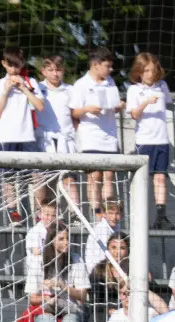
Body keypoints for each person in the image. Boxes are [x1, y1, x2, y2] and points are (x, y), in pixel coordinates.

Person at [26, 222, 88, 322]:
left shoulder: (76, 260)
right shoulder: (38, 262)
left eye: (67, 238)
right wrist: (46, 299)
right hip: (47, 308)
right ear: (51, 241)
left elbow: (82, 296)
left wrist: (63, 286)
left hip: (70, 309)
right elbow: (32, 298)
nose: (66, 242)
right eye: (61, 239)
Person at [0, 47, 45, 226]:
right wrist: (6, 91)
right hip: (7, 137)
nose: (14, 69)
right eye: (10, 65)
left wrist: (24, 89)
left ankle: (39, 213)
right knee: (9, 178)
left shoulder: (30, 82)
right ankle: (13, 212)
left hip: (27, 136)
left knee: (37, 177)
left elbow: (40, 106)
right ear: (4, 64)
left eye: (17, 65)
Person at [70, 47, 125, 216]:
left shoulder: (110, 83)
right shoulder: (81, 85)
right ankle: (96, 212)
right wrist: (87, 109)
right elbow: (74, 112)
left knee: (109, 175)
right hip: (91, 138)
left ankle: (109, 212)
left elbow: (112, 107)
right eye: (107, 66)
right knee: (95, 177)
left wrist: (119, 107)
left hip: (109, 137)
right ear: (95, 65)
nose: (110, 70)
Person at [126, 53, 172, 229]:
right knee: (142, 178)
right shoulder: (134, 90)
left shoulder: (162, 86)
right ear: (139, 72)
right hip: (145, 141)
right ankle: (139, 215)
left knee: (160, 177)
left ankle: (161, 216)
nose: (150, 74)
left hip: (161, 139)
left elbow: (168, 102)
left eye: (152, 70)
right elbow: (134, 115)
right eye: (145, 71)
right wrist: (145, 102)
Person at [35, 55, 80, 209]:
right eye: (51, 70)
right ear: (44, 71)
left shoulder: (70, 90)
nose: (55, 73)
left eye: (58, 70)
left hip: (65, 140)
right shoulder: (37, 88)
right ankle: (41, 213)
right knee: (42, 180)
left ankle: (74, 213)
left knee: (68, 179)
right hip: (45, 140)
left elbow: (75, 116)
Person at [83, 199, 122, 275]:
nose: (114, 217)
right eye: (110, 213)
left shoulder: (116, 227)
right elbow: (105, 256)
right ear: (103, 214)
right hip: (98, 272)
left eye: (117, 213)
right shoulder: (102, 229)